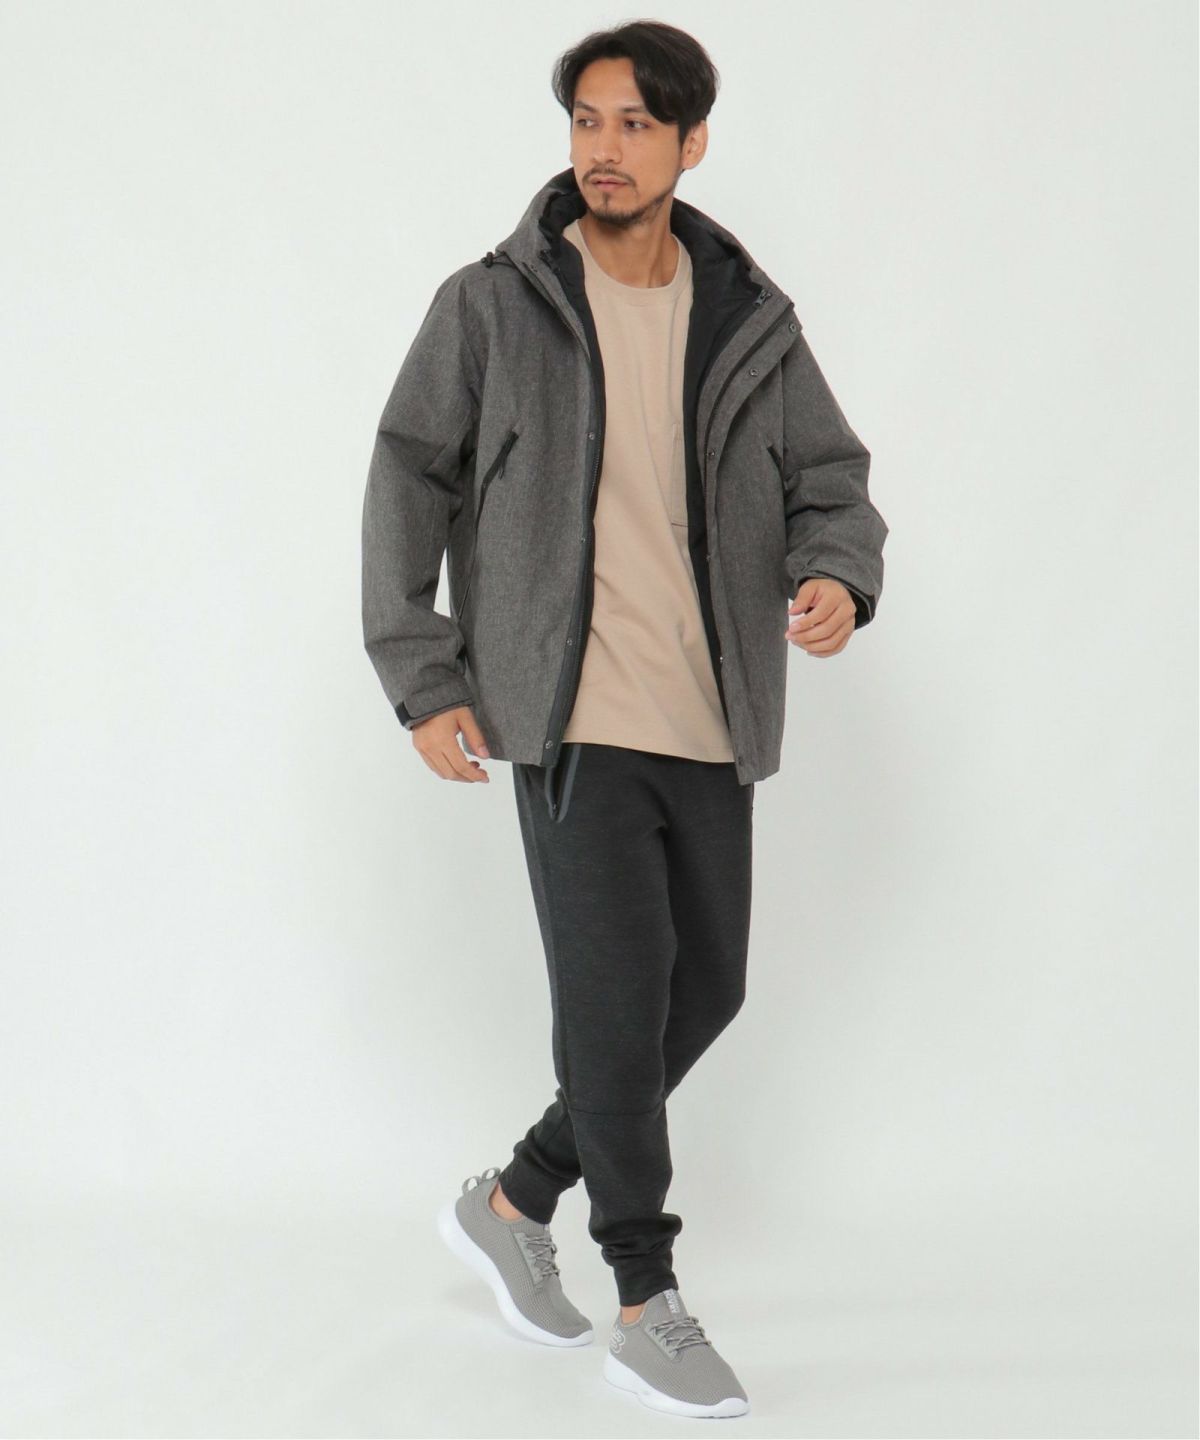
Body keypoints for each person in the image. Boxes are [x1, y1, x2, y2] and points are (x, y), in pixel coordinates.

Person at [361, 19, 887, 1420]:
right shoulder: (495, 305)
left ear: (691, 142)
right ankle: (645, 1298)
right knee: (612, 1005)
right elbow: (408, 476)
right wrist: (424, 673)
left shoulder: (749, 317)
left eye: (636, 125)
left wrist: (836, 573)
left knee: (703, 992)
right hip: (568, 714)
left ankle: (512, 1200)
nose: (605, 149)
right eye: (587, 121)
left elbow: (831, 476)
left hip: (711, 712)